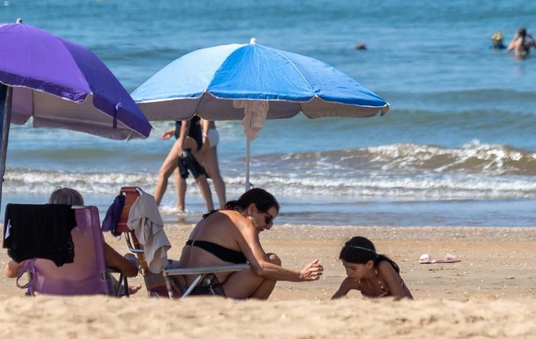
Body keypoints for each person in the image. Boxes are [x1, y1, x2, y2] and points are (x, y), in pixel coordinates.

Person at [176, 187, 323, 299]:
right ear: (252, 209)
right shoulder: (244, 223)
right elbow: (261, 268)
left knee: (267, 262)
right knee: (272, 261)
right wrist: (301, 275)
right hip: (207, 293)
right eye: (268, 219)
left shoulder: (214, 217)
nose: (269, 226)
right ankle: (251, 312)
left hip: (183, 289)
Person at [3, 186, 139, 281]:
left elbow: (10, 271)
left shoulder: (36, 244)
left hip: (47, 295)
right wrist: (131, 259)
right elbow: (131, 271)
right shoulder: (93, 244)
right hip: (88, 297)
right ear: (80, 212)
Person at [152, 117, 214, 214]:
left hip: (187, 140)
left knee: (163, 173)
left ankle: (153, 208)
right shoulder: (191, 101)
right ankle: (209, 209)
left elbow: (186, 124)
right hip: (195, 137)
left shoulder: (183, 102)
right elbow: (189, 122)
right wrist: (174, 131)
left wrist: (180, 146)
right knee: (197, 175)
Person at [331, 236, 412, 300]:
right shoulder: (352, 281)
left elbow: (401, 301)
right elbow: (332, 304)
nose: (348, 272)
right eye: (345, 267)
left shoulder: (383, 267)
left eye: (353, 268)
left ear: (369, 264)